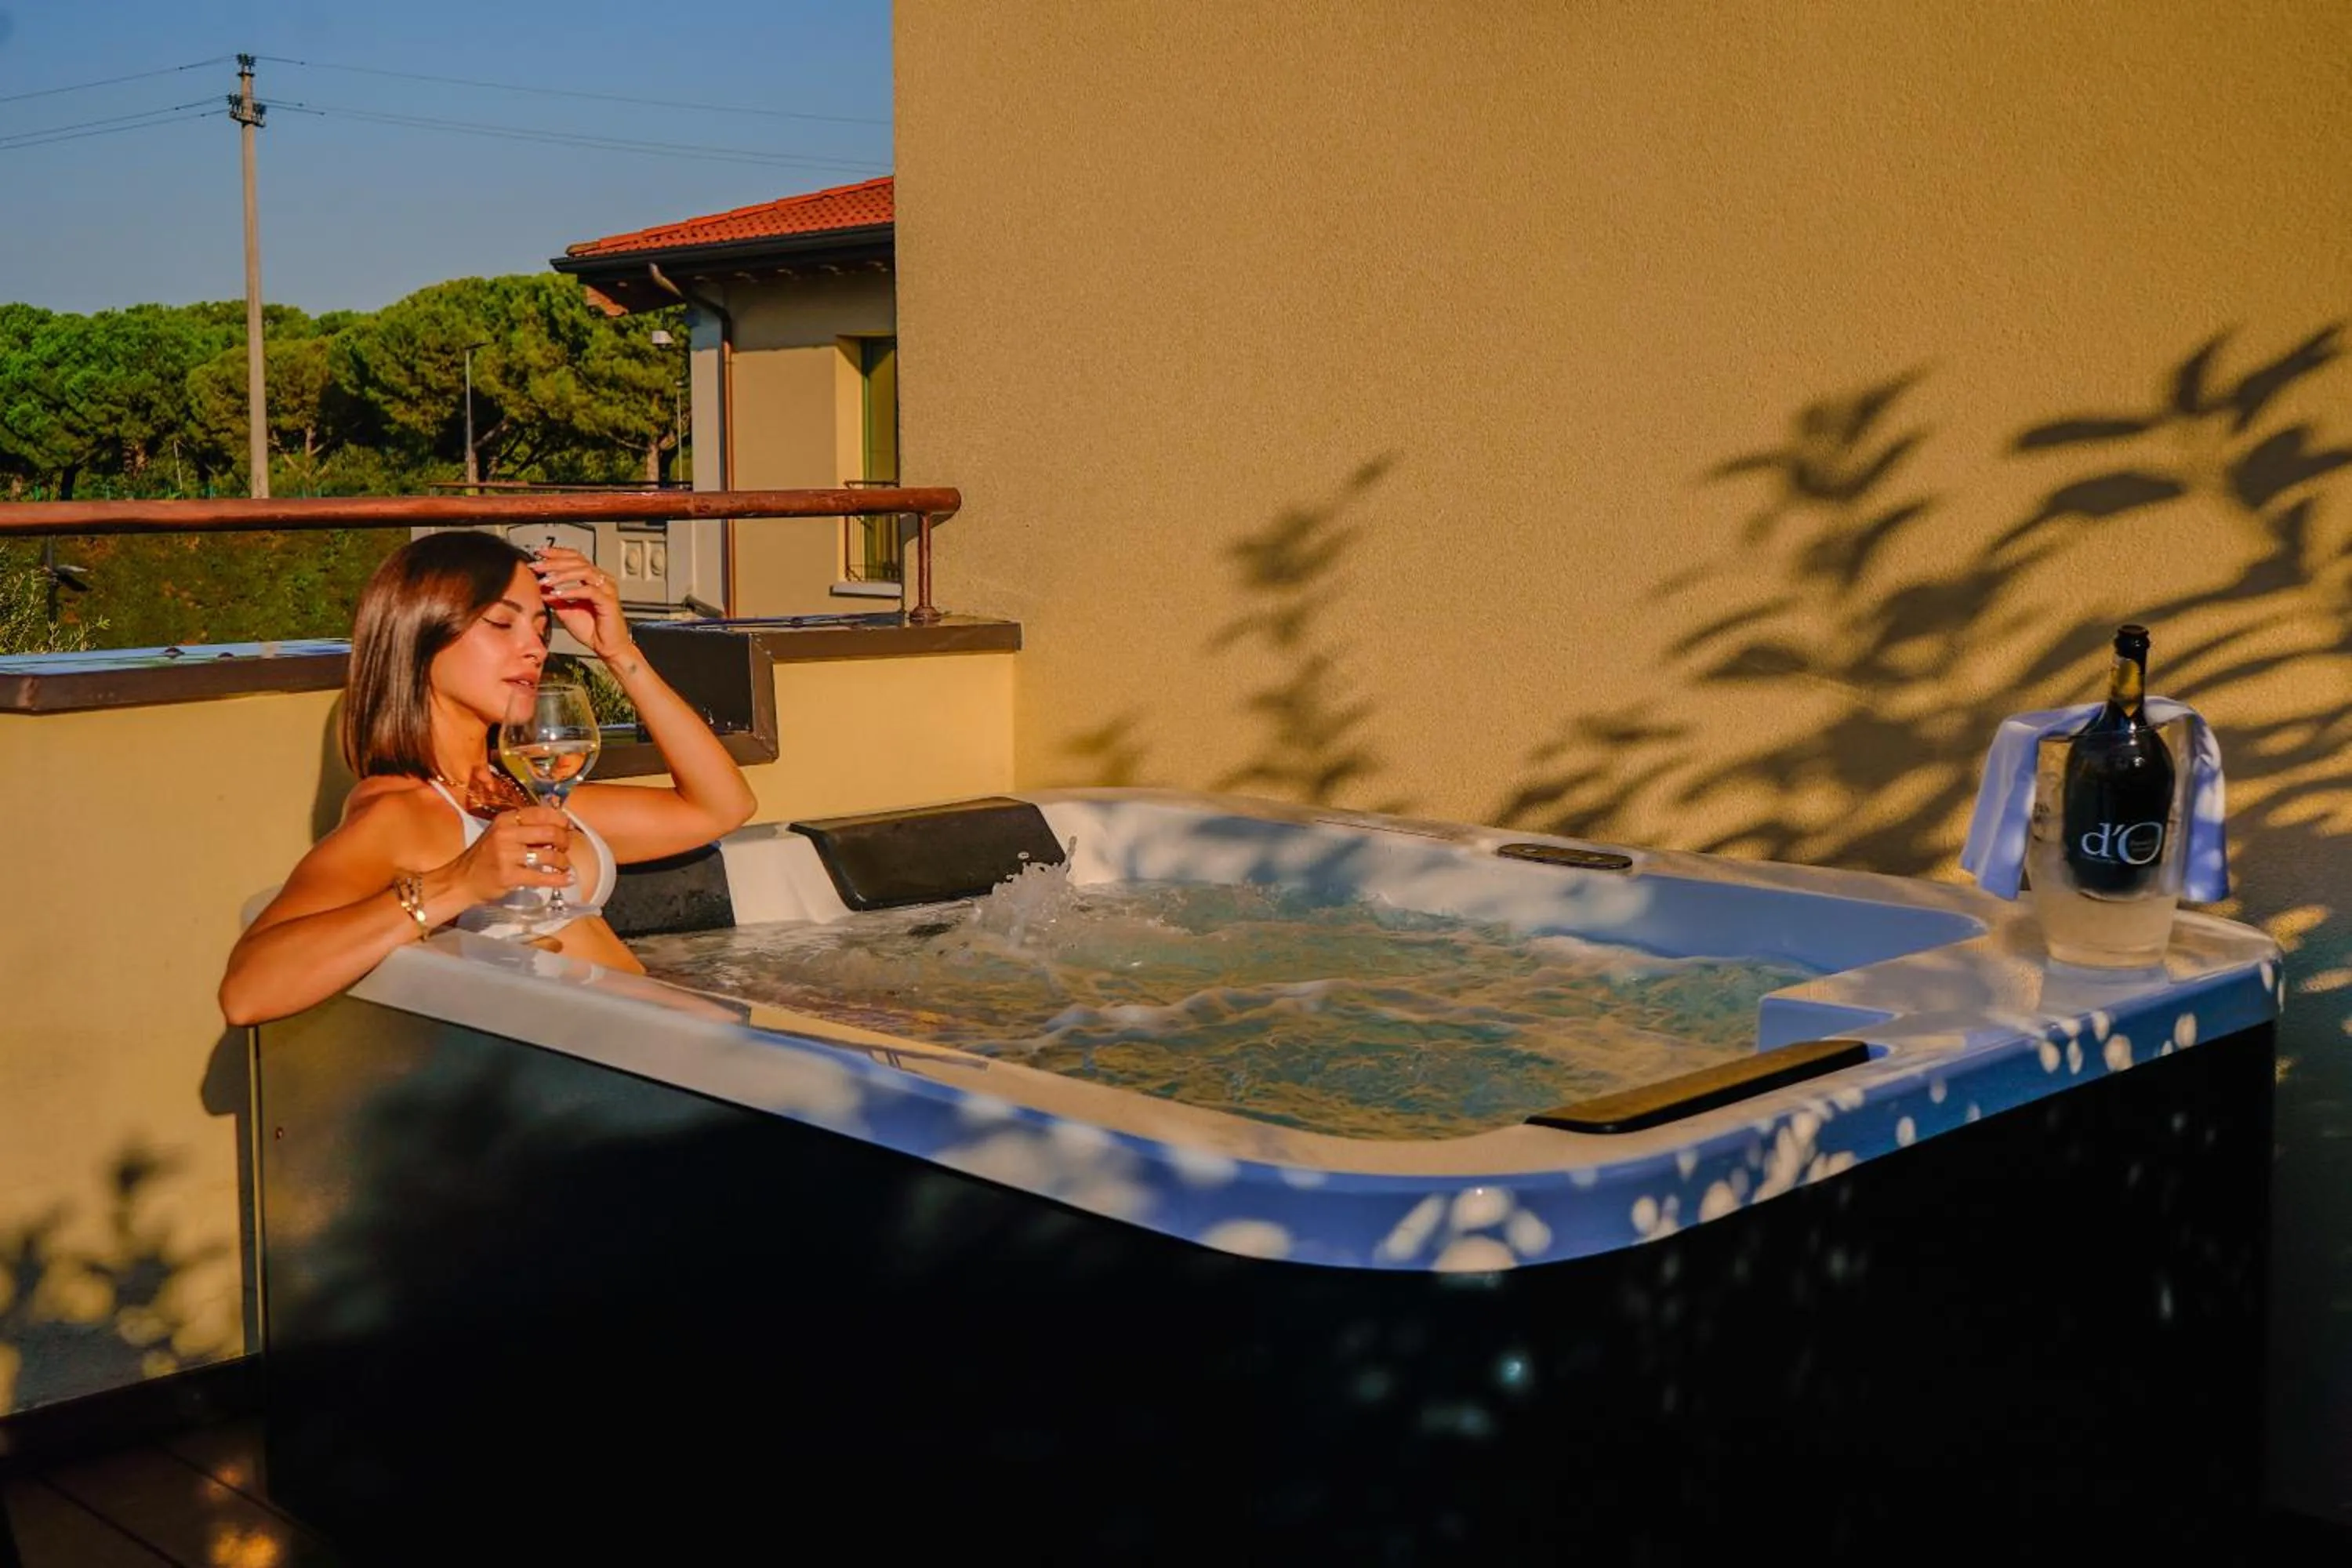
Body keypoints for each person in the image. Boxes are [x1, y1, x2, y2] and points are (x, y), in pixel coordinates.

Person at [219, 529, 757, 1026]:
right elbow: (248, 991)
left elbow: (722, 807)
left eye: (541, 629)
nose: (535, 648)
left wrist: (617, 651)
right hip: (586, 1080)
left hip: (649, 1052)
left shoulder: (517, 792)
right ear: (421, 634)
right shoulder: (399, 812)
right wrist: (460, 882)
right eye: (501, 624)